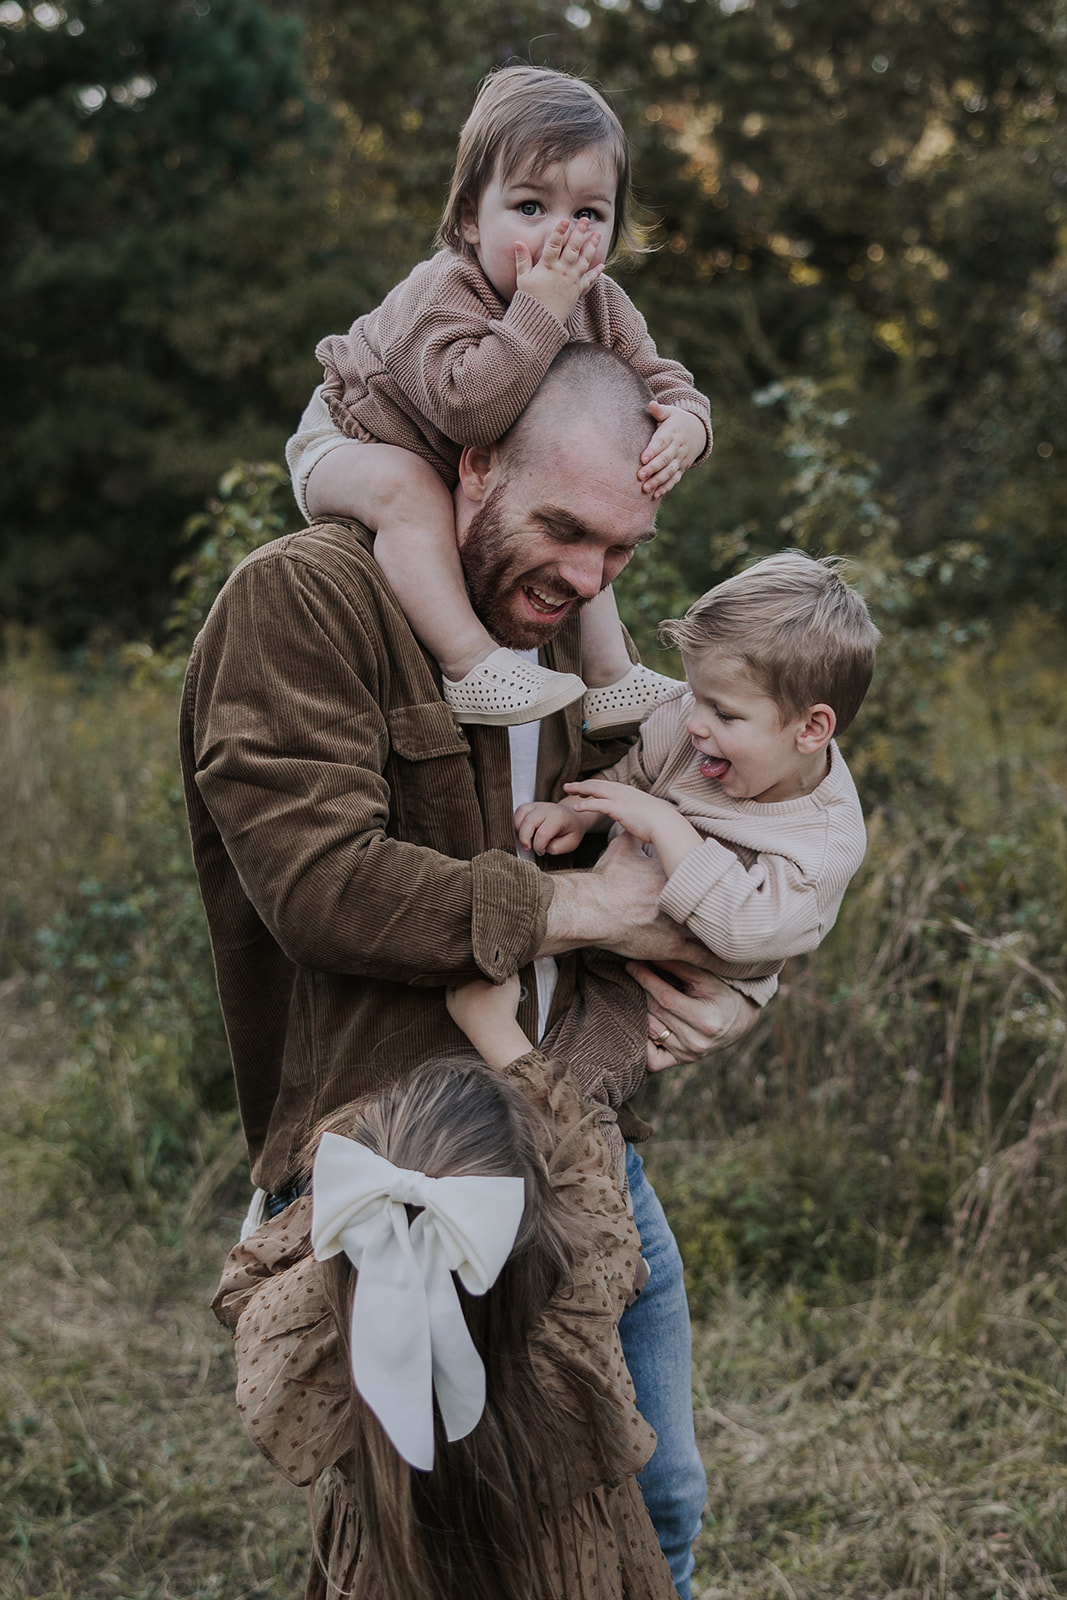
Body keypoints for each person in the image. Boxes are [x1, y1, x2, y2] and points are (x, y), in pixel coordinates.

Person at [181, 343, 768, 1598]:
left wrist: (691, 978)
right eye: (562, 529)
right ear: (476, 461)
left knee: (653, 1497)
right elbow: (324, 887)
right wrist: (580, 907)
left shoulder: (548, 637)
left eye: (618, 550)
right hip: (411, 1167)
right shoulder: (302, 600)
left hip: (583, 1140)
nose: (585, 576)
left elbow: (677, 848)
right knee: (434, 1549)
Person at [212, 971, 678, 1600]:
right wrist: (496, 1033)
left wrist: (341, 1205)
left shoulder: (317, 1343)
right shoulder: (577, 1324)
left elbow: (248, 1281)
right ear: (540, 1225)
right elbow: (591, 1155)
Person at [287, 64, 712, 732]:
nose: (559, 236)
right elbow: (470, 409)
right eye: (530, 208)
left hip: (465, 464)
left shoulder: (601, 304)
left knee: (581, 518)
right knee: (408, 491)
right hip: (357, 438)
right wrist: (540, 310)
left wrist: (687, 422)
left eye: (589, 214)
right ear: (469, 218)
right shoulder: (438, 293)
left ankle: (607, 678)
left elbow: (661, 380)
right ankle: (470, 663)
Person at [515, 552, 880, 992]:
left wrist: (665, 824)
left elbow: (745, 929)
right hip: (600, 939)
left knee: (591, 1051)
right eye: (695, 692)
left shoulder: (821, 845)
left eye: (723, 712)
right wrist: (577, 813)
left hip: (664, 988)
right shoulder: (691, 722)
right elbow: (630, 780)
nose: (695, 722)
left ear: (811, 728)